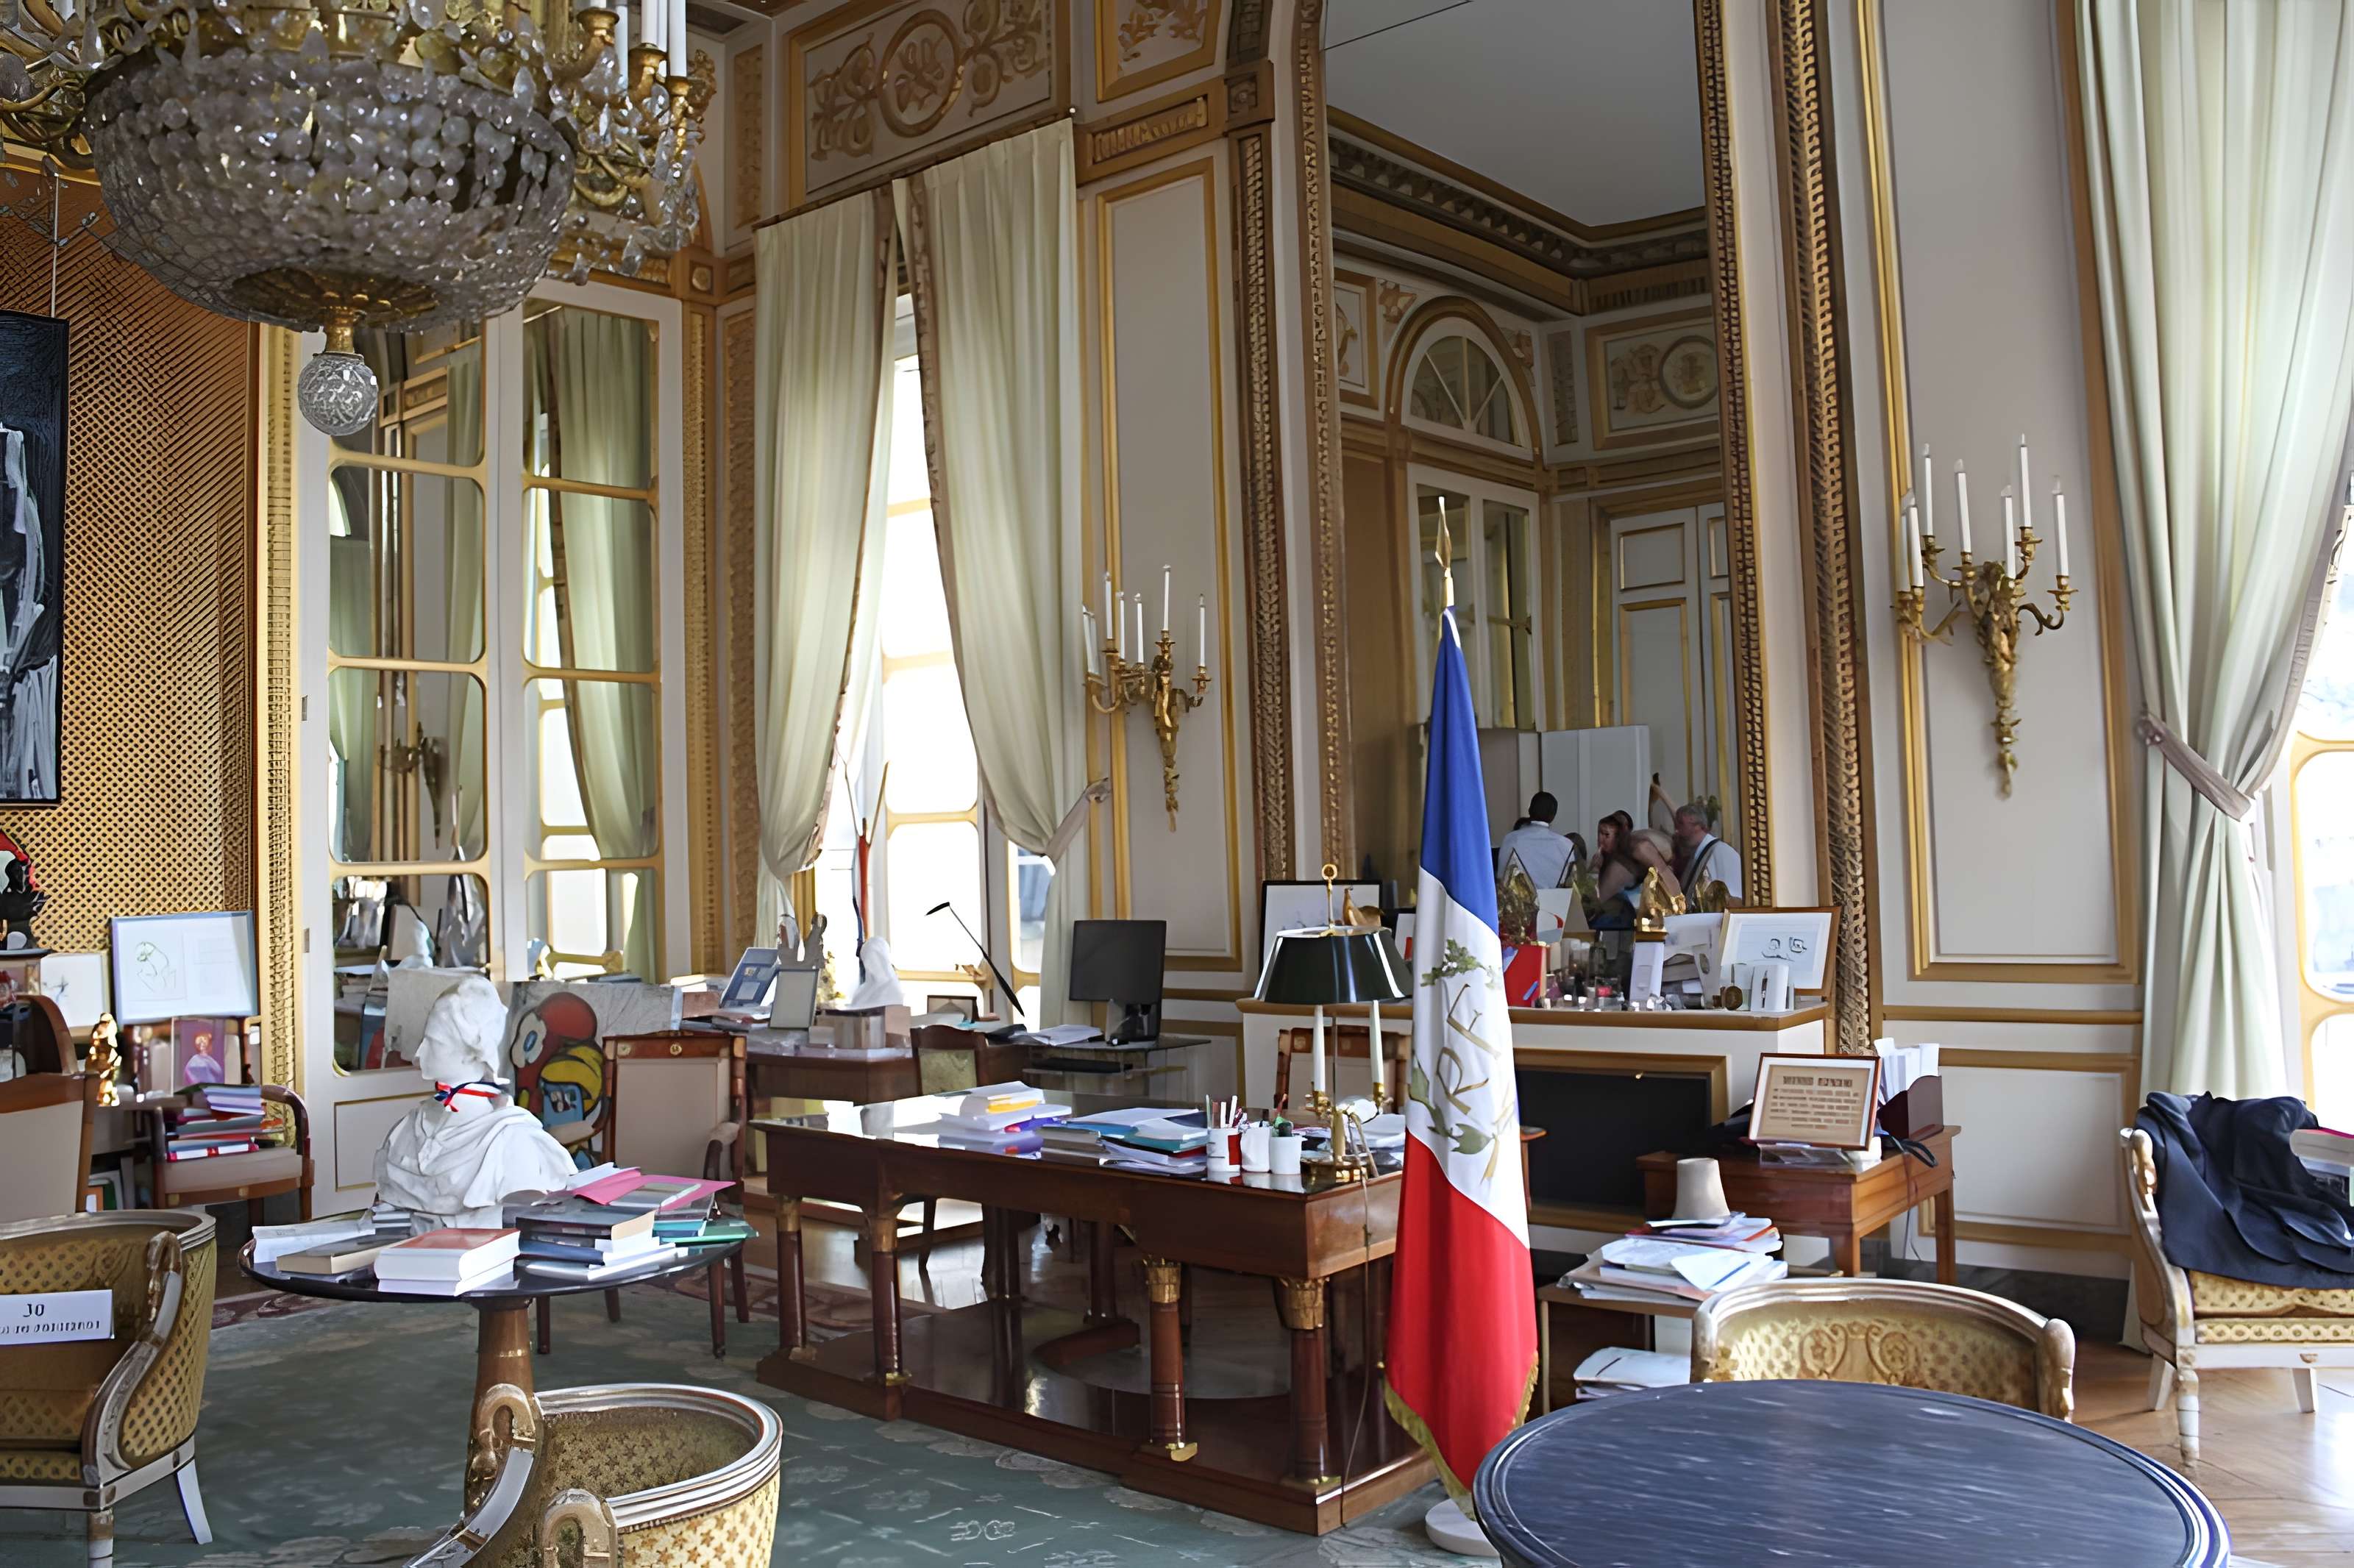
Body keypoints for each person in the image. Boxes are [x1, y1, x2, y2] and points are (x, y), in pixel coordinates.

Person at [1498, 791, 1578, 890]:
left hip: (1519, 904)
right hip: (1557, 903)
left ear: (1529, 810)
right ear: (1553, 816)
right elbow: (1571, 884)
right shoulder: (1566, 845)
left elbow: (1501, 878)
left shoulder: (1511, 839)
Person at [1671, 801, 1743, 901]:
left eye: (1681, 824)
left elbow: (1733, 901)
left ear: (1697, 826)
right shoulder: (1696, 854)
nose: (1677, 831)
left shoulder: (1723, 853)